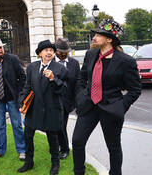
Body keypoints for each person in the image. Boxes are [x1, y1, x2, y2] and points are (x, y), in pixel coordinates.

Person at [72, 19, 141, 175]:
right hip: (89, 105)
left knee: (114, 147)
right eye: (95, 34)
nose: (94, 37)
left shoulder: (126, 61)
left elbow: (135, 89)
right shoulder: (90, 54)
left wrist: (121, 106)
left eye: (99, 35)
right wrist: (81, 96)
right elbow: (82, 78)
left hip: (111, 108)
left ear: (109, 39)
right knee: (77, 141)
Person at [17, 40, 68, 174]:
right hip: (34, 109)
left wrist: (53, 79)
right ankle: (29, 162)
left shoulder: (60, 68)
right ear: (40, 53)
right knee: (27, 136)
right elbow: (27, 87)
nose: (49, 52)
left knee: (53, 139)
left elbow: (63, 89)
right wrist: (21, 102)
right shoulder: (32, 67)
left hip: (52, 108)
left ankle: (55, 165)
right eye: (46, 50)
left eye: (51, 50)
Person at [0, 38, 26, 160]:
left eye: (1, 47)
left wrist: (18, 92)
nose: (0, 50)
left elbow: (22, 77)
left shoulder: (13, 59)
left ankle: (22, 150)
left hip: (12, 98)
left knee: (17, 124)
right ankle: (0, 150)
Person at [54, 38, 80, 159]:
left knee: (61, 125)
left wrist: (77, 101)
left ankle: (64, 149)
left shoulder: (74, 64)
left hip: (67, 101)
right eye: (61, 52)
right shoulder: (50, 62)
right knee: (55, 125)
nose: (64, 54)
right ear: (56, 51)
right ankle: (58, 145)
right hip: (52, 99)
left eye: (66, 51)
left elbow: (78, 83)